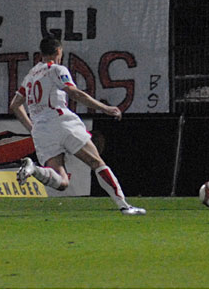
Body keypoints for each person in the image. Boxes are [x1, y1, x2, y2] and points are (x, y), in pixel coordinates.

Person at [10, 37, 146, 215]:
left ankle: (33, 169)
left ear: (41, 53)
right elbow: (74, 93)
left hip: (41, 131)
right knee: (96, 162)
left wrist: (32, 128)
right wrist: (104, 108)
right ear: (58, 51)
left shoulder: (31, 76)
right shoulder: (57, 69)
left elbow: (15, 105)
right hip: (61, 122)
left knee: (62, 182)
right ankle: (124, 206)